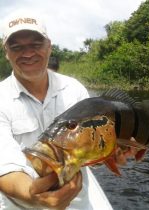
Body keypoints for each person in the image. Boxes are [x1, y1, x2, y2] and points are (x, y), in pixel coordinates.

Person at [0, 10, 116, 210]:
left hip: (80, 201)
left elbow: (91, 149)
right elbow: (5, 167)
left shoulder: (74, 89)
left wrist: (110, 152)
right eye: (17, 47)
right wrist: (32, 195)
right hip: (19, 203)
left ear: (49, 46)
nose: (28, 53)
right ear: (6, 53)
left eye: (36, 45)